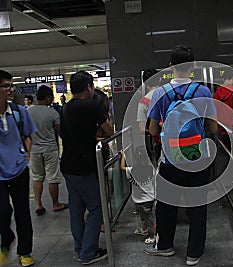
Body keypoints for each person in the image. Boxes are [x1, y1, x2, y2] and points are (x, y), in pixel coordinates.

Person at [144, 45, 217, 266]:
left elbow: (153, 130)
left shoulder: (160, 92)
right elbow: (213, 126)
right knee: (197, 206)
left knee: (167, 204)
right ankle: (194, 252)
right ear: (192, 67)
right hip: (198, 158)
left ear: (171, 66)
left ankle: (165, 245)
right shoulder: (202, 91)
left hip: (170, 158)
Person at [60, 71, 113, 265]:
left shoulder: (65, 108)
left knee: (76, 208)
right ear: (89, 87)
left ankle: (80, 248)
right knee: (96, 208)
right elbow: (110, 130)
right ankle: (88, 253)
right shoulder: (90, 105)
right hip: (84, 166)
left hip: (67, 164)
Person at [0, 70, 36, 267]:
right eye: (6, 86)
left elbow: (28, 136)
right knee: (3, 211)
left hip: (19, 170)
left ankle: (25, 251)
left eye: (11, 85)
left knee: (22, 212)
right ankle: (6, 241)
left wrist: (26, 154)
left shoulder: (18, 111)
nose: (11, 89)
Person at [27, 85, 68, 216]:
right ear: (47, 98)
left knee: (37, 177)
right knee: (52, 178)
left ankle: (38, 204)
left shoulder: (28, 111)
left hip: (34, 150)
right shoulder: (52, 113)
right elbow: (60, 131)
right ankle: (55, 204)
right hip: (50, 149)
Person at [120, 150, 156, 244]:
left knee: (149, 219)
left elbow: (122, 167)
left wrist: (123, 155)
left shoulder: (132, 170)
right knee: (145, 216)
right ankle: (144, 230)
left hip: (140, 200)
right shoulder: (151, 169)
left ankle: (155, 236)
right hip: (150, 198)